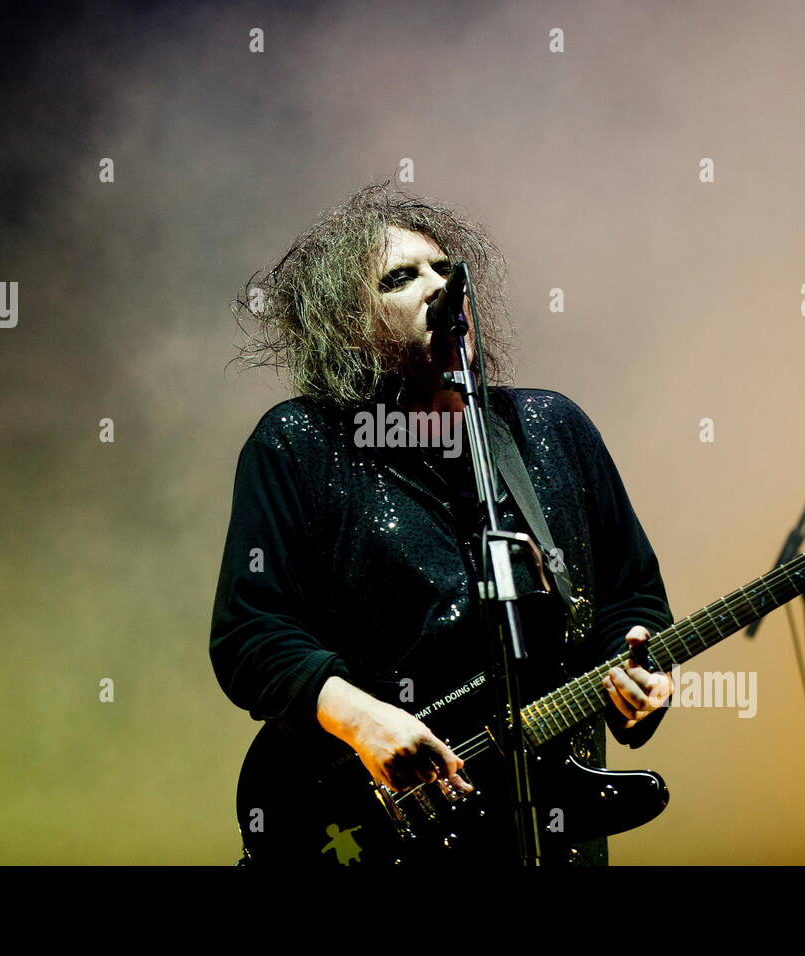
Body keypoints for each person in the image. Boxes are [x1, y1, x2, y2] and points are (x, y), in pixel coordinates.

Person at [210, 180, 674, 865]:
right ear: (347, 324)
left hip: (548, 835)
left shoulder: (550, 427)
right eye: (402, 277)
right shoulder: (299, 444)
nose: (439, 286)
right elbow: (252, 634)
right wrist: (364, 721)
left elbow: (629, 599)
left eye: (445, 269)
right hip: (376, 825)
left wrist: (641, 674)